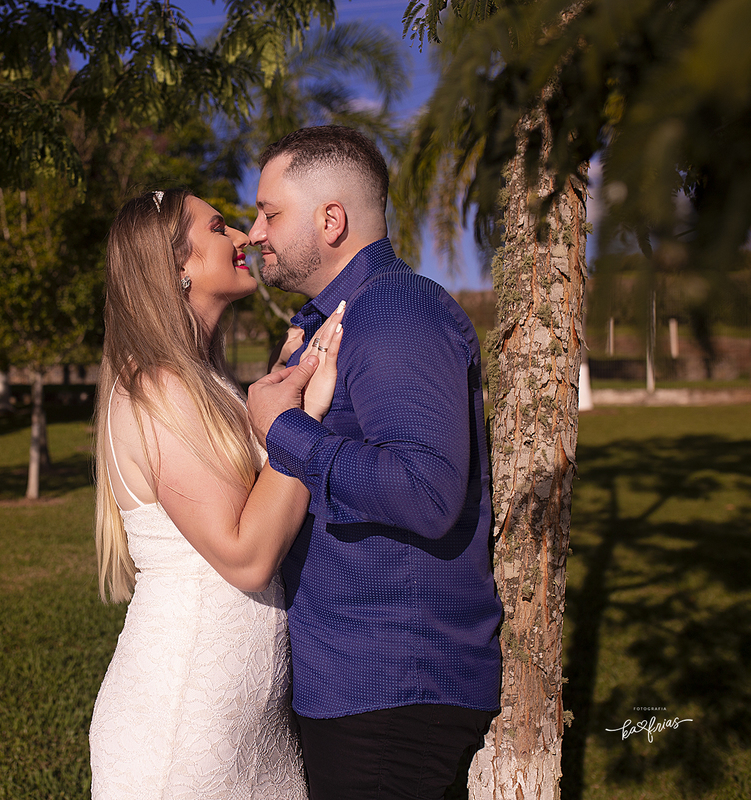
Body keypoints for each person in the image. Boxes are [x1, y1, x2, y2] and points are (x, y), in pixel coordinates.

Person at [246, 126, 504, 799]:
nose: (254, 232)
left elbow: (425, 491)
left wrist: (285, 429)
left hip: (394, 681)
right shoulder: (333, 320)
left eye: (269, 213)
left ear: (331, 220)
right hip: (356, 681)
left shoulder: (392, 306)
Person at [89, 188, 345, 799]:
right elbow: (246, 557)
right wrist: (300, 422)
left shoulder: (203, 382)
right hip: (184, 727)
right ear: (176, 264)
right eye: (218, 226)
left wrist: (280, 391)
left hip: (245, 725)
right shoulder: (159, 387)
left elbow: (249, 494)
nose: (243, 237)